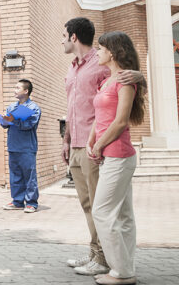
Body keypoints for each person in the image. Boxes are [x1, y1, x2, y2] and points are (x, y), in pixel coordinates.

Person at [61, 17, 144, 276]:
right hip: (78, 144)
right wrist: (66, 139)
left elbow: (123, 88)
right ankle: (95, 253)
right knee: (88, 205)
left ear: (74, 36)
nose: (62, 40)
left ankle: (104, 259)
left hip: (100, 146)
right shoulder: (72, 69)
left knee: (101, 207)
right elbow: (74, 106)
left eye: (64, 35)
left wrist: (141, 77)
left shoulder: (100, 66)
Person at [87, 31, 144, 285]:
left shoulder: (125, 81)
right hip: (110, 155)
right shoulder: (106, 81)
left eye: (100, 49)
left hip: (119, 155)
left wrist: (99, 144)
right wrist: (91, 139)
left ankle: (121, 272)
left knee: (102, 211)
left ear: (112, 51)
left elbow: (121, 122)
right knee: (122, 216)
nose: (97, 53)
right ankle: (125, 268)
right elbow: (101, 115)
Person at [1, 79, 41, 213]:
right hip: (13, 146)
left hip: (27, 148)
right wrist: (5, 121)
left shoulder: (33, 108)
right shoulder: (11, 107)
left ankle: (31, 203)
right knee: (15, 176)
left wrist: (14, 121)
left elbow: (29, 125)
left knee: (29, 176)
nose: (14, 90)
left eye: (17, 87)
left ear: (26, 91)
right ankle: (17, 201)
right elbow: (4, 125)